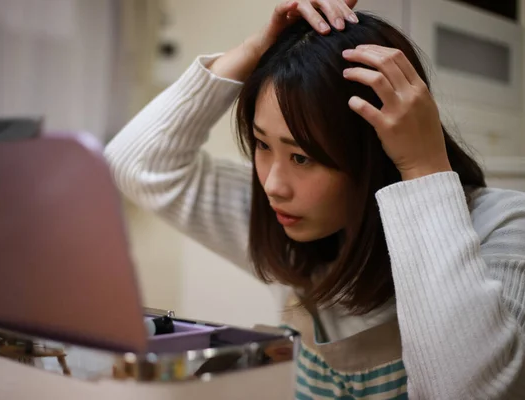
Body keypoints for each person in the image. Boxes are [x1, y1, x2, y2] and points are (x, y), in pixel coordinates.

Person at [104, 0, 525, 398]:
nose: (272, 185)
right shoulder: (293, 228)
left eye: (301, 156)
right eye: (262, 145)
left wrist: (421, 165)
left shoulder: (501, 227)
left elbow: (464, 390)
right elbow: (137, 165)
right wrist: (260, 49)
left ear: (377, 153)